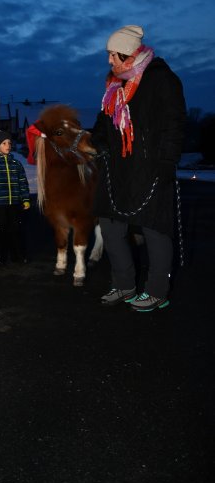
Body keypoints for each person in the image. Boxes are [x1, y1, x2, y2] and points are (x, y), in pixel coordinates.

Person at [91, 25, 186, 312]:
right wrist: (98, 142)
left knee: (154, 228)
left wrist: (167, 161)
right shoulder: (114, 85)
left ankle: (157, 291)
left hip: (150, 166)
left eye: (112, 54)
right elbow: (103, 123)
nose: (109, 60)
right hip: (118, 170)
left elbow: (175, 123)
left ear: (128, 52)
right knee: (109, 226)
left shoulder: (161, 79)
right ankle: (124, 284)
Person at [0, 130, 30, 265]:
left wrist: (25, 199)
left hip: (15, 202)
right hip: (0, 203)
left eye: (9, 143)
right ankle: (0, 257)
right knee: (1, 230)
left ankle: (18, 255)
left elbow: (23, 183)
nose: (8, 145)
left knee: (16, 230)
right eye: (4, 143)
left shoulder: (16, 164)